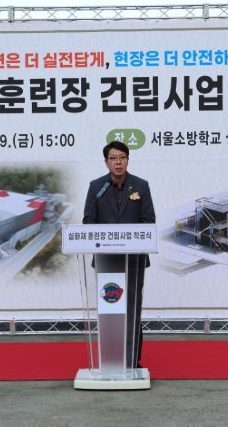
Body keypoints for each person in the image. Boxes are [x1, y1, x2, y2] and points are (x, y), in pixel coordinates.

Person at [82, 141, 155, 369]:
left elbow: (148, 221)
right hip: (106, 259)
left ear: (128, 160)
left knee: (132, 309)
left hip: (133, 260)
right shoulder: (97, 187)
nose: (118, 162)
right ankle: (111, 361)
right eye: (113, 158)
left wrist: (127, 238)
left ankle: (132, 361)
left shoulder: (140, 186)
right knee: (110, 308)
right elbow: (88, 220)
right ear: (106, 162)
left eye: (122, 157)